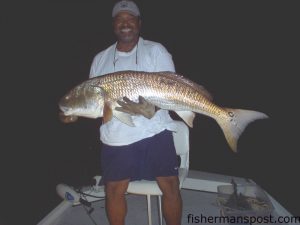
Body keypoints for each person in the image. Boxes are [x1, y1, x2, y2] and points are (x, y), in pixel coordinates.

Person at [89, 1, 182, 225]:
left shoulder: (155, 50)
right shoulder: (100, 59)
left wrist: (150, 108)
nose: (126, 23)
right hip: (117, 136)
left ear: (139, 23)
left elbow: (172, 90)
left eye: (130, 18)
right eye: (120, 19)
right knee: (113, 190)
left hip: (155, 130)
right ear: (114, 25)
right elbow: (97, 103)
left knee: (170, 185)